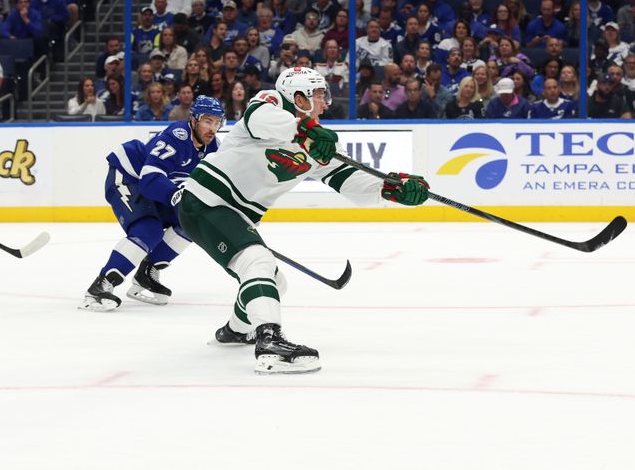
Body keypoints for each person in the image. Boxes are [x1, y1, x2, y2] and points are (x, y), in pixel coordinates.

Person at [177, 67, 430, 374]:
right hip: (206, 200)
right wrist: (304, 130)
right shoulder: (270, 104)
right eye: (320, 95)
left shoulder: (322, 145)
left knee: (275, 283)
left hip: (234, 213)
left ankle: (234, 330)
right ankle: (269, 342)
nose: (326, 102)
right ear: (299, 97)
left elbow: (348, 181)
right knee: (256, 262)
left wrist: (389, 190)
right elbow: (259, 117)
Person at [81, 96, 225, 312]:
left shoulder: (213, 147)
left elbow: (214, 187)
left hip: (157, 188)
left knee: (191, 222)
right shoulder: (177, 136)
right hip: (129, 176)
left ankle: (146, 272)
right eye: (207, 121)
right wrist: (176, 196)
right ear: (194, 119)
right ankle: (100, 286)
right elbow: (149, 180)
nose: (212, 128)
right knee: (148, 230)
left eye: (217, 122)